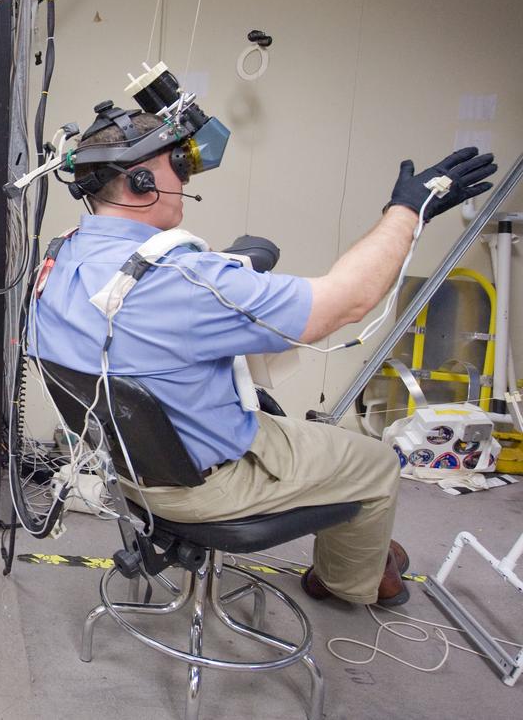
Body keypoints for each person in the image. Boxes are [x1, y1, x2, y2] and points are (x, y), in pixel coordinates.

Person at [32, 95, 495, 607]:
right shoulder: (187, 279)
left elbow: (145, 315)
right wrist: (406, 212)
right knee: (376, 461)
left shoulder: (63, 255)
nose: (186, 177)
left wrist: (229, 270)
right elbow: (348, 301)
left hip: (126, 469)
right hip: (204, 486)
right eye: (179, 164)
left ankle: (362, 549)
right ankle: (344, 581)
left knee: (299, 432)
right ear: (143, 180)